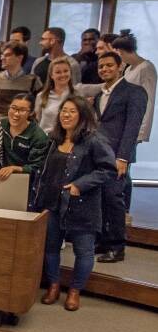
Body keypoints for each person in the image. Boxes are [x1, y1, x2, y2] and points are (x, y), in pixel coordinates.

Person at [35, 95, 116, 311]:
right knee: (51, 248)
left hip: (82, 204)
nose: (66, 115)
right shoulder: (54, 138)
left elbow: (108, 170)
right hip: (52, 202)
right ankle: (53, 286)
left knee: (84, 251)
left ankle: (74, 291)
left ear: (82, 115)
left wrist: (81, 184)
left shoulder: (94, 140)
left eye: (72, 111)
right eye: (63, 111)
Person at [94, 51, 147, 263]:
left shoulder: (134, 92)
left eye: (108, 65)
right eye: (101, 67)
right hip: (99, 155)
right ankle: (105, 242)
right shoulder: (100, 94)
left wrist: (123, 157)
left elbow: (132, 127)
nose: (104, 69)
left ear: (119, 67)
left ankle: (117, 246)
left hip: (118, 156)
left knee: (114, 200)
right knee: (101, 200)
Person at [0, 93, 49, 209]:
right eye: (13, 108)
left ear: (30, 113)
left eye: (22, 110)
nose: (16, 113)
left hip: (25, 184)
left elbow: (38, 167)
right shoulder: (1, 124)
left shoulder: (38, 136)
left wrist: (15, 168)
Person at [35, 56, 99, 135]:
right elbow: (38, 121)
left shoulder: (79, 92)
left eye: (66, 71)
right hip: (46, 140)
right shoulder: (41, 96)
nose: (63, 74)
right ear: (51, 75)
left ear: (70, 72)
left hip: (70, 141)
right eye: (58, 72)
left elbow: (104, 86)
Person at [114, 32, 156, 144]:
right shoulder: (128, 69)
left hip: (134, 124)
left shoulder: (146, 68)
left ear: (121, 51)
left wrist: (141, 132)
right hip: (122, 122)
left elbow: (149, 101)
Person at [0, 42, 42, 119]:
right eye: (2, 55)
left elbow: (40, 106)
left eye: (7, 55)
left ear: (19, 58)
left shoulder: (33, 80)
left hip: (21, 125)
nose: (2, 58)